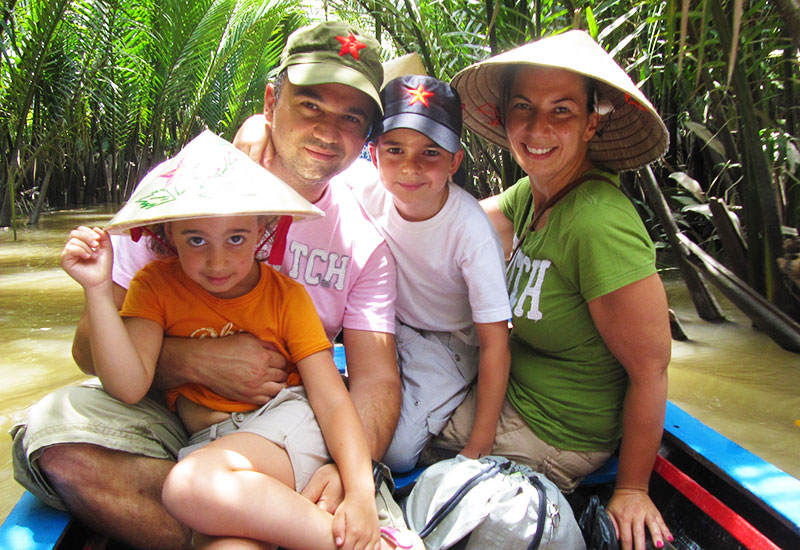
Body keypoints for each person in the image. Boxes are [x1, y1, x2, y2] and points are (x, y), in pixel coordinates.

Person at [11, 21, 402, 550]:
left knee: (209, 488)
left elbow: (374, 381)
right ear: (271, 100)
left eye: (352, 118)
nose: (328, 132)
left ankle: (252, 516)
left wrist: (351, 471)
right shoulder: (176, 198)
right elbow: (90, 353)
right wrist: (193, 359)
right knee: (56, 441)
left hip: (283, 423)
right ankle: (265, 524)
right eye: (310, 105)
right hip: (177, 414)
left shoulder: (363, 243)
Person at [60, 131, 393, 550]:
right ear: (169, 233)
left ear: (261, 233)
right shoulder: (154, 286)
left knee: (187, 487)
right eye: (195, 240)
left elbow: (330, 398)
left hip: (285, 425)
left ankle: (370, 546)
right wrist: (96, 290)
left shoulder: (285, 296)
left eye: (236, 239)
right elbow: (128, 384)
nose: (217, 262)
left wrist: (360, 491)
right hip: (210, 447)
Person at [428, 30, 674, 550]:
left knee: (405, 445)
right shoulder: (536, 193)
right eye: (524, 107)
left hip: (556, 431)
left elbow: (651, 369)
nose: (538, 128)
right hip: (510, 392)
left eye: (561, 111)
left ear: (591, 123)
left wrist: (632, 487)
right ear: (504, 116)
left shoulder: (597, 223)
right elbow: (453, 222)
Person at [352, 74, 511, 472]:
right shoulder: (364, 188)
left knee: (396, 453)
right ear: (373, 155)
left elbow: (495, 343)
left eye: (431, 153)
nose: (410, 168)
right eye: (394, 150)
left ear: (455, 161)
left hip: (450, 342)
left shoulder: (470, 233)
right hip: (389, 323)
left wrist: (479, 444)